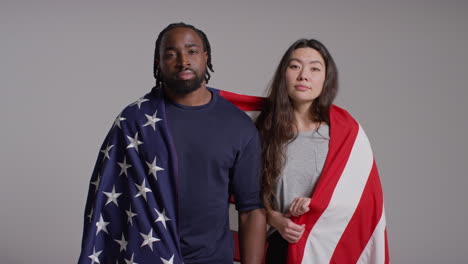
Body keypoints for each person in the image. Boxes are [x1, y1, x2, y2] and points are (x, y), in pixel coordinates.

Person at [78, 22, 266, 264]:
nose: (183, 60)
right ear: (158, 62)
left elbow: (251, 210)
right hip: (147, 256)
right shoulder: (133, 121)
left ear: (206, 56)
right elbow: (107, 207)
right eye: (171, 54)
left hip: (213, 259)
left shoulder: (238, 125)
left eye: (192, 51)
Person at [255, 39, 390, 263]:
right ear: (283, 74)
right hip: (281, 246)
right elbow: (249, 194)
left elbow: (364, 200)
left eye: (315, 68)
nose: (304, 75)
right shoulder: (263, 130)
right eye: (295, 66)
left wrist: (319, 204)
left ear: (326, 79)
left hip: (328, 249)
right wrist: (276, 219)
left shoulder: (346, 132)